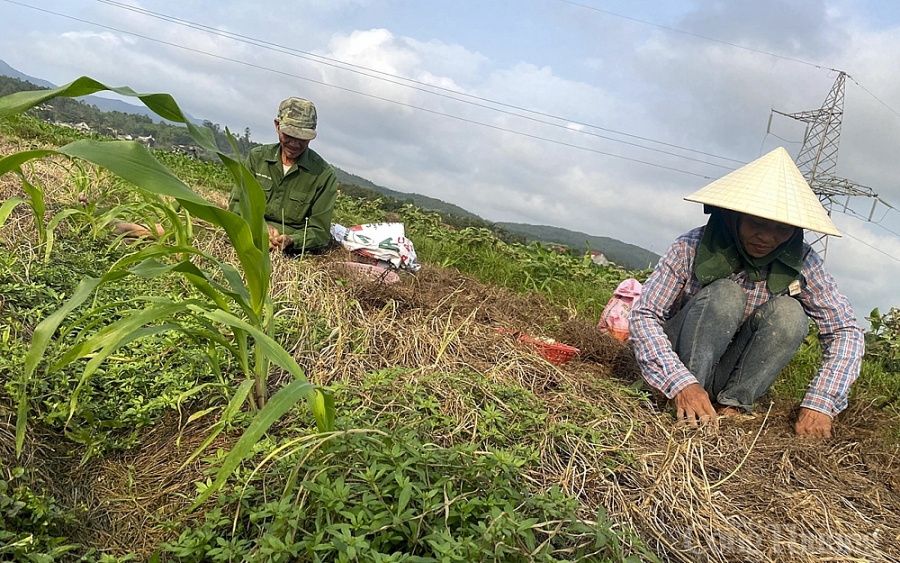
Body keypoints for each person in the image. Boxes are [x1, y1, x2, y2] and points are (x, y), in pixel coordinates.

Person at [629, 147, 864, 439]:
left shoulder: (802, 260)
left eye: (782, 228)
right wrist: (681, 383)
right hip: (678, 367)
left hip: (726, 372)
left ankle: (733, 406)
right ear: (733, 217)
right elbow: (644, 315)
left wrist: (821, 403)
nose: (768, 237)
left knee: (790, 314)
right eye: (757, 223)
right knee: (725, 295)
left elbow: (845, 331)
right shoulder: (692, 246)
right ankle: (685, 401)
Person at [228, 97, 337, 253]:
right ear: (277, 126)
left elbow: (319, 231)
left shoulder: (323, 175)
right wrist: (260, 228)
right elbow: (237, 203)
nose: (294, 144)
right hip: (249, 235)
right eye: (289, 135)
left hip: (290, 251)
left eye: (302, 138)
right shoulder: (257, 158)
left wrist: (292, 240)